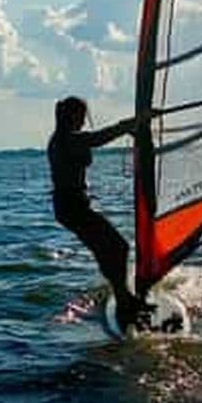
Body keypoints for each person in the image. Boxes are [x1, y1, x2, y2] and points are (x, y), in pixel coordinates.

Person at [48, 95, 146, 330]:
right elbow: (98, 139)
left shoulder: (67, 138)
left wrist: (130, 126)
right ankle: (124, 299)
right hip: (72, 207)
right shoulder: (65, 140)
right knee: (118, 247)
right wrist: (129, 125)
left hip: (73, 206)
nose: (83, 120)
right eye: (81, 115)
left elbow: (92, 140)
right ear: (70, 116)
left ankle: (122, 296)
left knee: (106, 250)